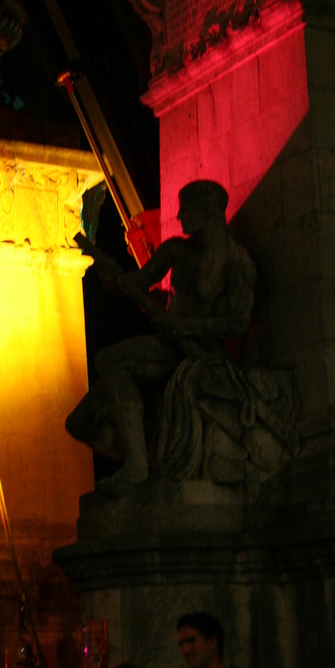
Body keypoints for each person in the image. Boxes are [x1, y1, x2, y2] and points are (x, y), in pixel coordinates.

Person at [66, 180, 256, 495]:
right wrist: (115, 278)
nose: (179, 215)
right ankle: (146, 460)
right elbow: (137, 282)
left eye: (186, 208)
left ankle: (139, 465)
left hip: (198, 353)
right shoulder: (175, 251)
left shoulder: (237, 263)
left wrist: (185, 328)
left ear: (209, 211)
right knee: (80, 419)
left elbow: (237, 323)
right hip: (168, 345)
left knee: (109, 359)